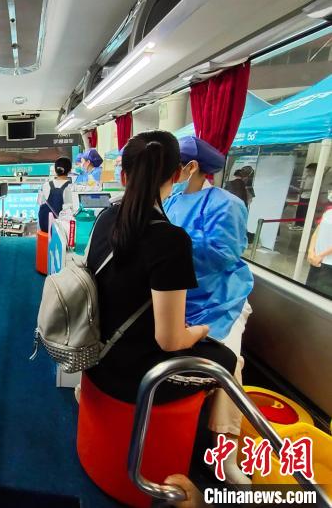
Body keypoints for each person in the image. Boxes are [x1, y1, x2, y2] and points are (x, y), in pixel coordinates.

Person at [84, 130, 237, 407]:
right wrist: (201, 330)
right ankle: (214, 433)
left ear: (123, 177)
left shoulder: (105, 217)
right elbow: (170, 341)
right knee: (227, 360)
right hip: (136, 376)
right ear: (177, 174)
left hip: (94, 354)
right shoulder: (171, 240)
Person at [164, 136, 253, 484]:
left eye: (173, 165)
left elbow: (223, 255)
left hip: (219, 300)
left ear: (192, 167)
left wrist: (176, 243)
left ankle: (226, 452)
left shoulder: (227, 205)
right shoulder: (171, 199)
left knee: (229, 363)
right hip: (177, 295)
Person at [37, 157, 73, 232]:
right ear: (70, 170)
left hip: (44, 227)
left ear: (55, 170)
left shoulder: (45, 185)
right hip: (60, 231)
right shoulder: (71, 187)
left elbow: (39, 203)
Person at [307, 193, 332, 297]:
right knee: (308, 292)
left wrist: (321, 255)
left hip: (329, 264)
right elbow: (317, 231)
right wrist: (310, 251)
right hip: (316, 261)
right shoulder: (328, 212)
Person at [290, 163, 316, 231]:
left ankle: (301, 225)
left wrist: (304, 190)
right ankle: (297, 224)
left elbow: (315, 189)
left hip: (308, 197)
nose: (308, 172)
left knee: (304, 211)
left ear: (314, 170)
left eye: (309, 170)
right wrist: (301, 189)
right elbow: (304, 184)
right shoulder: (307, 177)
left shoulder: (315, 178)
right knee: (299, 210)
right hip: (303, 195)